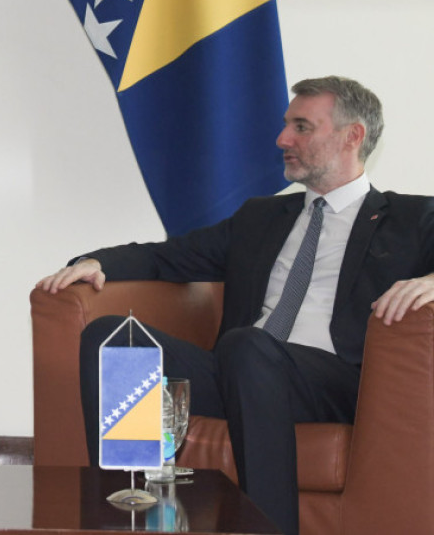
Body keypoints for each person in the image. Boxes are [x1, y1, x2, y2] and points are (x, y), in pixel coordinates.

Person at [35, 76, 434, 535]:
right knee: (112, 338)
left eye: (301, 127)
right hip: (240, 371)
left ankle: (267, 529)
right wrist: (96, 261)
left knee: (247, 346)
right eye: (286, 125)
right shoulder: (260, 217)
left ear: (352, 136)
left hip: (335, 385)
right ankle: (134, 516)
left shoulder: (412, 219)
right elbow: (169, 256)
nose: (282, 139)